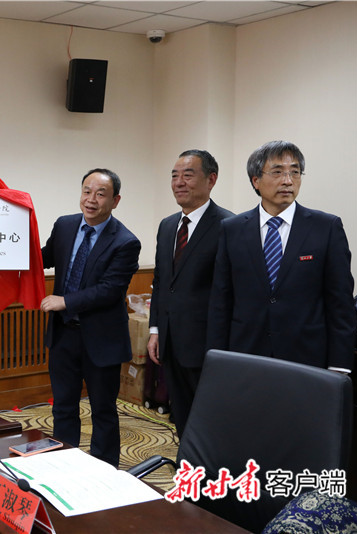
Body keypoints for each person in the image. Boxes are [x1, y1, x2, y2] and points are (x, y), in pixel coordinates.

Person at [207, 140, 355, 372]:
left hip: (307, 360)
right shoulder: (232, 229)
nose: (288, 180)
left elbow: (341, 303)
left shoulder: (326, 227)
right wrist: (216, 359)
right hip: (245, 356)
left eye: (295, 172)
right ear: (256, 180)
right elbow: (221, 302)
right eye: (277, 172)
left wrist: (339, 365)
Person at [40, 168, 140, 467]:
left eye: (100, 194)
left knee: (103, 411)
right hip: (64, 334)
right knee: (63, 407)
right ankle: (62, 465)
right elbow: (45, 257)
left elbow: (110, 290)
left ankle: (104, 471)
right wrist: (6, 250)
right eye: (87, 191)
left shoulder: (125, 241)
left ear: (115, 200)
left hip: (101, 339)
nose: (91, 199)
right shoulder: (65, 225)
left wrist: (65, 301)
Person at [147, 150, 233, 437]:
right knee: (181, 416)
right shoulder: (167, 225)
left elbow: (231, 292)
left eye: (188, 175)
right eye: (174, 176)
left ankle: (211, 466)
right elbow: (161, 282)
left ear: (211, 179)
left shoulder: (229, 226)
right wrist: (156, 329)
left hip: (208, 346)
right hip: (170, 342)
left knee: (212, 420)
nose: (179, 182)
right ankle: (187, 462)